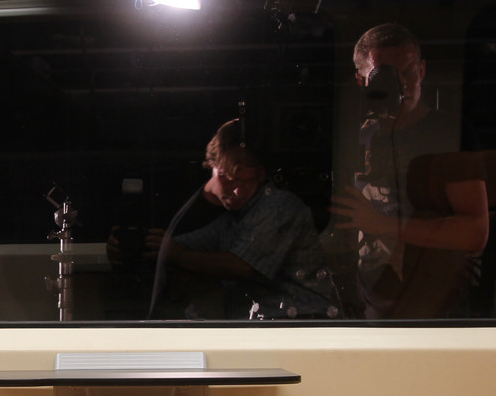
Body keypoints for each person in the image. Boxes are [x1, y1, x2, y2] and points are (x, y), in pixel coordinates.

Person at [330, 23, 490, 318]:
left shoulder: (448, 132)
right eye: (386, 76)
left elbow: (475, 231)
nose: (402, 84)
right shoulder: (356, 137)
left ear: (422, 70)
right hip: (369, 300)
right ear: (362, 80)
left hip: (435, 303)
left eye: (408, 72)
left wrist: (382, 224)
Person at [110, 119, 339, 320]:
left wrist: (178, 254)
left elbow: (242, 266)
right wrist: (129, 246)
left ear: (260, 175)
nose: (236, 191)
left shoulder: (279, 206)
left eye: (243, 180)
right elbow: (177, 245)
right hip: (266, 326)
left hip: (303, 325)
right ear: (212, 172)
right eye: (226, 179)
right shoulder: (231, 222)